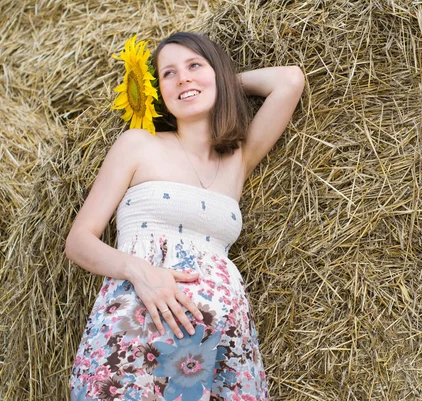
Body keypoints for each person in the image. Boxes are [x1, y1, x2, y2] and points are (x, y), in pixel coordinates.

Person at [66, 32, 304, 401]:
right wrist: (138, 271)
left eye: (195, 65)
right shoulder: (137, 145)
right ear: (158, 92)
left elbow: (289, 81)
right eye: (168, 74)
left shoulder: (237, 160)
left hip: (222, 344)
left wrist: (220, 80)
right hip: (140, 330)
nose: (183, 79)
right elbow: (79, 241)